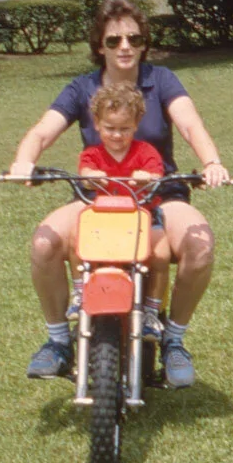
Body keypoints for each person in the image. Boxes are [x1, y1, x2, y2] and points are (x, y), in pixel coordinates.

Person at [9, 0, 232, 388]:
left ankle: (173, 341)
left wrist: (211, 162)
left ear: (144, 43)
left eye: (134, 38)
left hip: (159, 193)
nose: (125, 46)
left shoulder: (161, 80)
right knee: (44, 242)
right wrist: (24, 161)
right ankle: (58, 341)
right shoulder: (83, 88)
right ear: (100, 46)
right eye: (114, 40)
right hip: (99, 197)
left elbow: (190, 125)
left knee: (201, 246)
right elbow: (42, 131)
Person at [76, 82, 173, 335]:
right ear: (97, 124)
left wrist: (147, 177)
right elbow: (85, 173)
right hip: (105, 218)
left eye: (124, 129)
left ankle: (151, 310)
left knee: (161, 253)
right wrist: (91, 177)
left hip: (143, 216)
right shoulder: (92, 154)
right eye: (110, 128)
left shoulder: (145, 151)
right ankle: (79, 293)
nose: (117, 135)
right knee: (75, 241)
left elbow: (156, 174)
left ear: (136, 125)